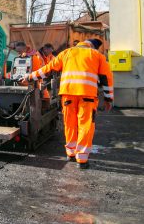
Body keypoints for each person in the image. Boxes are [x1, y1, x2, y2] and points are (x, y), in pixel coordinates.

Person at [22, 39, 113, 169]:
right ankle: (82, 159)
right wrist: (108, 99)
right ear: (93, 46)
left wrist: (30, 77)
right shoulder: (97, 55)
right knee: (85, 125)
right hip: (87, 96)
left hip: (68, 94)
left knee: (69, 123)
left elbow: (48, 68)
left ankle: (70, 153)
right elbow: (106, 79)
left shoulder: (67, 53)